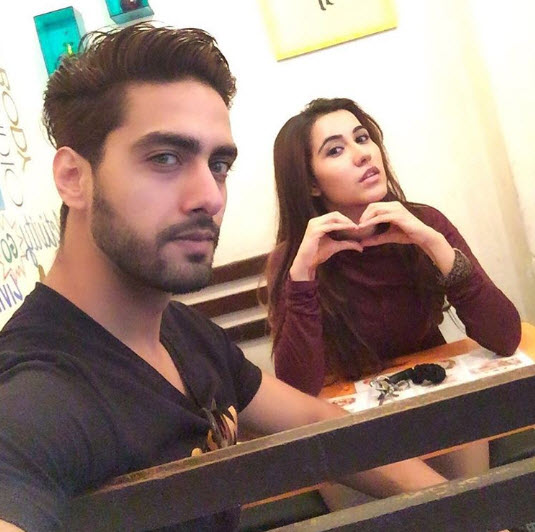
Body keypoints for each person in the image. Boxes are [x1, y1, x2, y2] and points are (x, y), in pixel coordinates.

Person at [0, 24, 449, 532]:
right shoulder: (39, 393)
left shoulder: (182, 332)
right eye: (165, 158)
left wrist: (458, 507)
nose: (210, 196)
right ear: (73, 178)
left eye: (218, 165)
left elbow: (314, 422)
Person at [265, 97, 521, 501]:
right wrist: (302, 279)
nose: (362, 154)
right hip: (352, 425)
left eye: (362, 138)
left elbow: (505, 337)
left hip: (434, 400)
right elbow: (298, 390)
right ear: (311, 183)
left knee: (460, 479)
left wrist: (435, 246)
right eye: (336, 150)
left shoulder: (426, 222)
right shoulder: (294, 258)